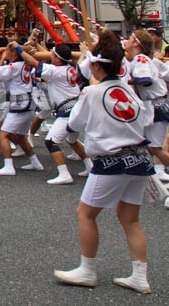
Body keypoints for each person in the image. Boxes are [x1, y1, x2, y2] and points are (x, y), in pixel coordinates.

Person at [55, 30, 154, 294]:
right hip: (140, 160)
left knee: (86, 214)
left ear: (96, 65)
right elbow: (144, 121)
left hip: (111, 162)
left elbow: (74, 124)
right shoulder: (130, 90)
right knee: (130, 218)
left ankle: (87, 270)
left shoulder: (92, 92)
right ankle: (140, 276)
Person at [17, 42, 90, 183]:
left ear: (57, 58)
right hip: (76, 108)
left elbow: (33, 62)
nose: (50, 55)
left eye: (52, 54)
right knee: (72, 140)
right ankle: (90, 166)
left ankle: (64, 174)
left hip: (67, 111)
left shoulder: (55, 70)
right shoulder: (70, 69)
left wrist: (18, 48)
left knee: (51, 141)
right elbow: (78, 65)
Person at [123, 30, 169, 187]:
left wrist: (124, 82)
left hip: (155, 106)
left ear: (136, 43)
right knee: (148, 145)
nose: (126, 41)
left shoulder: (141, 59)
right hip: (153, 105)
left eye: (129, 38)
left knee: (155, 147)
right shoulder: (140, 59)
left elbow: (145, 80)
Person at [0, 43, 45, 176]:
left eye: (7, 51)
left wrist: (2, 59)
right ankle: (35, 162)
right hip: (29, 101)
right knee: (21, 137)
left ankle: (8, 166)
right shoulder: (26, 65)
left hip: (19, 102)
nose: (5, 52)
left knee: (3, 134)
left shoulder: (13, 66)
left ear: (14, 53)